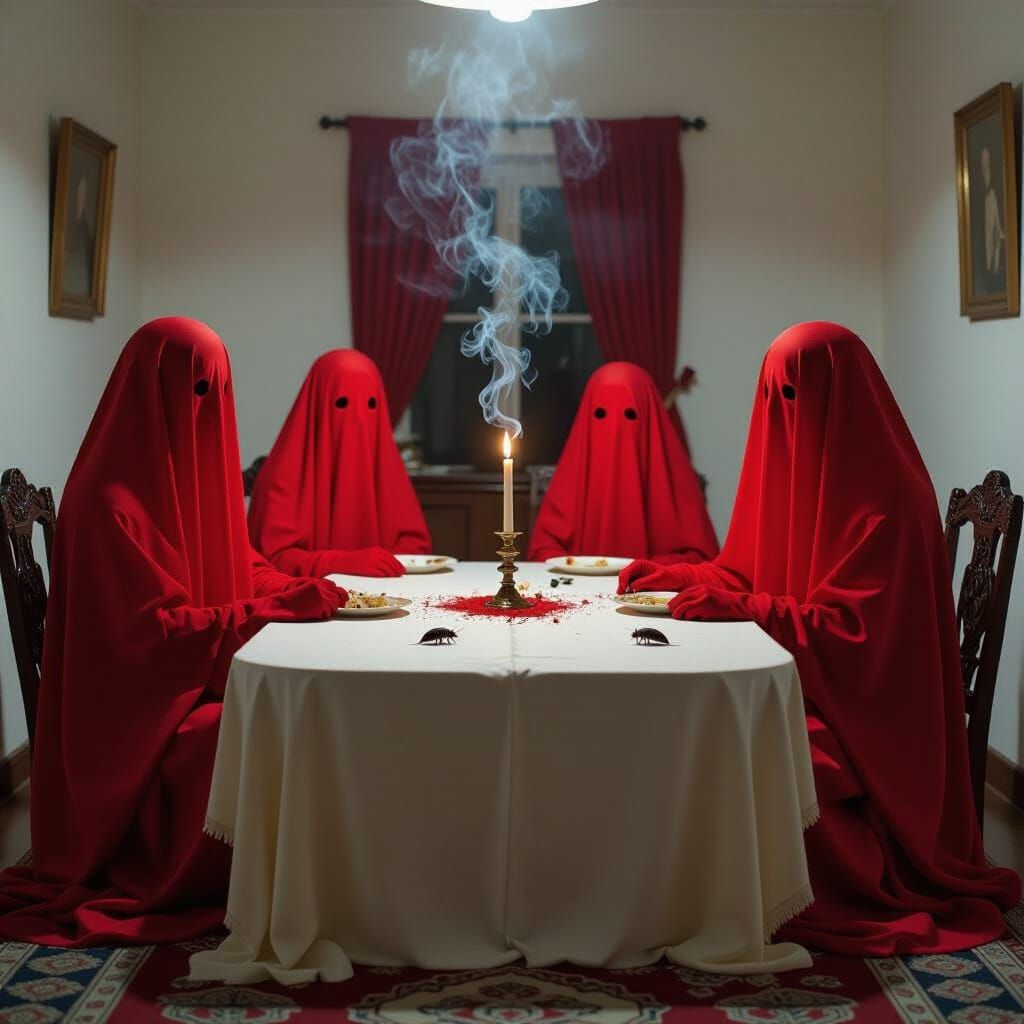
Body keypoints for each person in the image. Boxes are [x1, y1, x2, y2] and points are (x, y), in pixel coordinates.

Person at [619, 322, 1020, 955]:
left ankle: (713, 895)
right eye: (773, 395)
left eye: (795, 396)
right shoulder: (799, 473)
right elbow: (745, 570)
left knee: (736, 736)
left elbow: (851, 635)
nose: (782, 416)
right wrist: (679, 575)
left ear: (844, 394)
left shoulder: (889, 496)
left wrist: (741, 605)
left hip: (878, 720)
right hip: (829, 687)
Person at [0, 318, 345, 946]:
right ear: (146, 388)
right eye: (195, 390)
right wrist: (276, 611)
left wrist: (290, 592)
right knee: (250, 724)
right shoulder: (108, 500)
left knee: (282, 708)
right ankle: (280, 886)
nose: (205, 410)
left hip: (165, 690)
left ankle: (315, 878)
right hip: (124, 724)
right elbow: (154, 640)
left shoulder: (181, 479)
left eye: (216, 390)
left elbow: (240, 569)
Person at [249, 349, 431, 577]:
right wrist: (342, 562)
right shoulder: (280, 476)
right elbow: (270, 559)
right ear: (315, 404)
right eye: (342, 403)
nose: (356, 419)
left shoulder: (388, 467)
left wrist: (383, 563)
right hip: (308, 605)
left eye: (370, 404)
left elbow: (416, 546)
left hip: (387, 602)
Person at [527, 362, 718, 564]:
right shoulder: (571, 475)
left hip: (654, 592)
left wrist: (646, 569)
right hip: (577, 589)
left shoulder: (677, 482)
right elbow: (542, 552)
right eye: (601, 414)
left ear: (649, 417)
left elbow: (703, 560)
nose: (615, 430)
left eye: (630, 414)